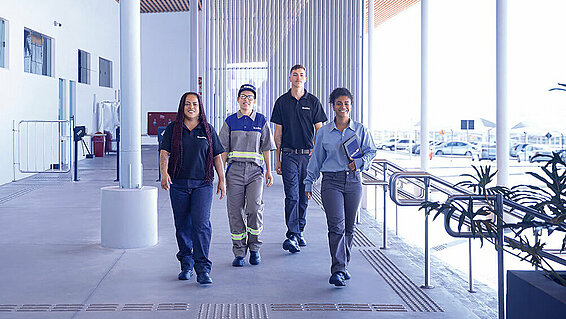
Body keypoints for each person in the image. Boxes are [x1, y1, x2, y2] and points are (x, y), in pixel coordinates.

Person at [304, 88, 377, 287]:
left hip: (354, 181)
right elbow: (316, 159)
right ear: (333, 106)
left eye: (346, 103)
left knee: (349, 227)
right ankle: (337, 269)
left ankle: (344, 265)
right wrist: (309, 182)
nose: (342, 107)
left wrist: (360, 163)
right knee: (336, 225)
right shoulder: (324, 132)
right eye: (338, 103)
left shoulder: (361, 130)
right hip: (331, 182)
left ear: (351, 106)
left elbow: (371, 152)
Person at [159, 92, 226, 285]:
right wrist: (164, 173)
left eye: (195, 104)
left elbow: (217, 155)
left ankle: (203, 269)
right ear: (182, 106)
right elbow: (165, 152)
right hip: (178, 184)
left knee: (202, 225)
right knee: (182, 226)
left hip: (202, 184)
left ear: (200, 107)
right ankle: (186, 264)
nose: (191, 107)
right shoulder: (173, 129)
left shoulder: (207, 129)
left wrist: (221, 179)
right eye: (187, 104)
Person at [271, 64, 327, 253]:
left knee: (304, 196)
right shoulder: (282, 102)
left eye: (301, 75)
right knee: (292, 196)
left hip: (308, 157)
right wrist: (277, 160)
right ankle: (293, 234)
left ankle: (300, 230)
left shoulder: (313, 101)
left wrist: (316, 155)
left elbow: (320, 130)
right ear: (289, 78)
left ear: (305, 78)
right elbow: (277, 133)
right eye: (295, 75)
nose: (298, 78)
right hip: (288, 155)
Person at [219, 84, 275, 267]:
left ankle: (255, 248)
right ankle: (239, 252)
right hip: (234, 172)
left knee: (254, 208)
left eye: (250, 97)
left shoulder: (261, 120)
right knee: (235, 212)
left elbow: (266, 147)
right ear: (237, 99)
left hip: (254, 173)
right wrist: (221, 177)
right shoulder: (230, 121)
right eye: (243, 96)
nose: (246, 100)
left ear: (255, 101)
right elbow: (223, 150)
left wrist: (269, 170)